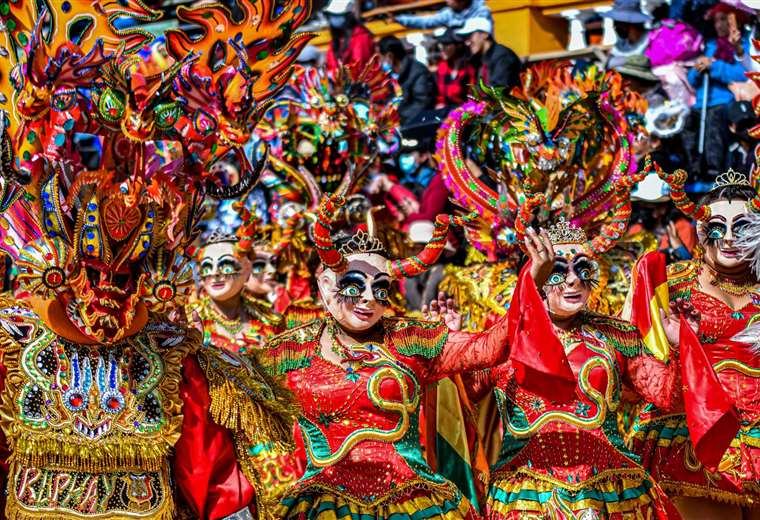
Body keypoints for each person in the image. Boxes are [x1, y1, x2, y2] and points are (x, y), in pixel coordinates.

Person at [270, 195, 517, 518]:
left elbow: (489, 348)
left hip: (412, 503)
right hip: (325, 504)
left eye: (381, 289)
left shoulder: (412, 340)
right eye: (354, 287)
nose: (369, 299)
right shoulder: (292, 351)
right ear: (327, 285)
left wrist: (534, 278)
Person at [466, 199, 694, 519]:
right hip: (525, 499)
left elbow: (669, 397)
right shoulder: (505, 338)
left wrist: (679, 347)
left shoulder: (616, 334)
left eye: (583, 269)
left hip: (613, 494)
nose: (573, 280)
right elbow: (466, 396)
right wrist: (454, 352)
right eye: (559, 272)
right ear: (538, 275)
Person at [631, 168, 760, 520]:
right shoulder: (671, 285)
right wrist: (677, 348)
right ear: (703, 233)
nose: (730, 238)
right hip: (692, 442)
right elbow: (636, 366)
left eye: (744, 227)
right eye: (718, 227)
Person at [191, 227, 300, 514]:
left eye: (226, 266)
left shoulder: (270, 321)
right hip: (216, 447)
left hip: (274, 446)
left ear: (246, 270)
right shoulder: (189, 322)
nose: (215, 275)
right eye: (207, 267)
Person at [684, 2, 750, 179]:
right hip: (702, 102)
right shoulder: (710, 46)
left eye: (724, 19)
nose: (719, 25)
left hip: (724, 102)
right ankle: (693, 168)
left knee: (714, 126)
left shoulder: (744, 45)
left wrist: (713, 66)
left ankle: (714, 172)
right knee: (688, 126)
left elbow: (743, 74)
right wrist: (698, 69)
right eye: (716, 21)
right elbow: (692, 80)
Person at [378, 35, 436, 124]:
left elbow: (422, 103)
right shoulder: (391, 75)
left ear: (390, 56)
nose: (379, 62)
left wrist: (396, 117)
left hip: (416, 125)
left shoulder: (419, 72)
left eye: (380, 57)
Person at [456, 17, 521, 90]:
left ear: (485, 34)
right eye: (465, 38)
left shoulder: (503, 57)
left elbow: (498, 90)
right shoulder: (479, 59)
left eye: (470, 36)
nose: (467, 43)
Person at [324, 0, 376, 72]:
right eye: (331, 15)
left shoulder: (361, 38)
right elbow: (330, 64)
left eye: (338, 15)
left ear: (348, 16)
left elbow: (359, 68)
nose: (334, 19)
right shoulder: (336, 39)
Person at [602, 0, 652, 69]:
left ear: (631, 24)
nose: (614, 27)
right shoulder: (620, 44)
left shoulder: (651, 41)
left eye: (618, 23)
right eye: (615, 23)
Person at [434, 28, 476, 109]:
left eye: (446, 44)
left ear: (459, 46)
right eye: (441, 44)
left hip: (466, 114)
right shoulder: (443, 66)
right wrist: (440, 104)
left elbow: (473, 100)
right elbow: (440, 97)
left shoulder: (471, 69)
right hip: (446, 113)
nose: (442, 48)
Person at [393, 0, 492, 31]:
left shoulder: (482, 12)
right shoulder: (449, 13)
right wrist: (399, 19)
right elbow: (426, 22)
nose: (446, 1)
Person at [725, 100, 758, 173]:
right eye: (742, 125)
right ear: (731, 127)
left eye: (750, 123)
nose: (747, 129)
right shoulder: (730, 152)